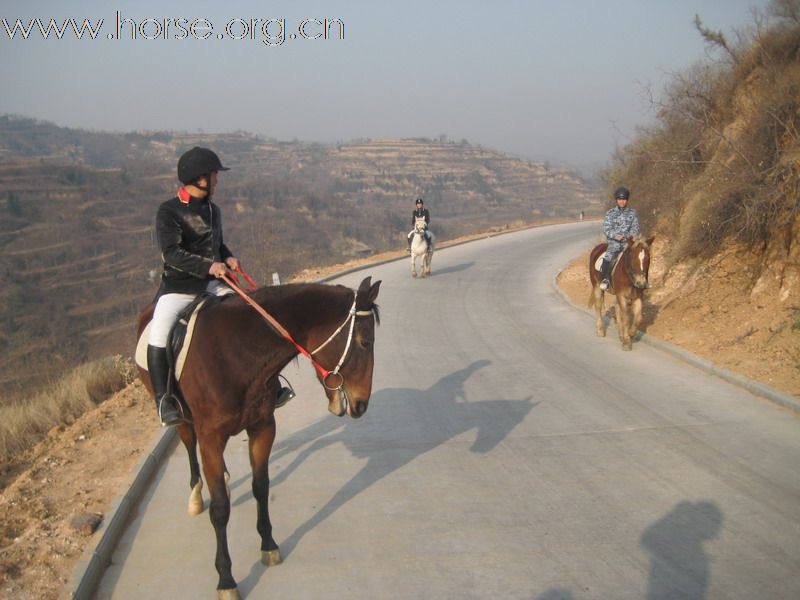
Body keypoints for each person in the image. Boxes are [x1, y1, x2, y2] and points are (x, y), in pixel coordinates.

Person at [146, 147, 292, 426]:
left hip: (214, 284)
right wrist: (208, 266)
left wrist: (227, 256)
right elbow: (172, 253)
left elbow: (216, 244)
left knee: (252, 316)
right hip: (179, 287)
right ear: (199, 177)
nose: (217, 180)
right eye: (214, 175)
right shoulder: (168, 211)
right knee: (159, 333)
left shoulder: (214, 210)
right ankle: (164, 400)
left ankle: (271, 386)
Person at [599, 186, 641, 290]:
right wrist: (615, 236)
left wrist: (629, 236)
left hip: (628, 243)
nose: (622, 201)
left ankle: (642, 280)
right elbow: (606, 229)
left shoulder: (632, 213)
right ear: (616, 200)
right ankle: (605, 279)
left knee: (639, 259)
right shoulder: (610, 213)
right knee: (608, 258)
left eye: (624, 199)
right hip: (614, 243)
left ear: (627, 200)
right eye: (620, 199)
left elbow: (635, 228)